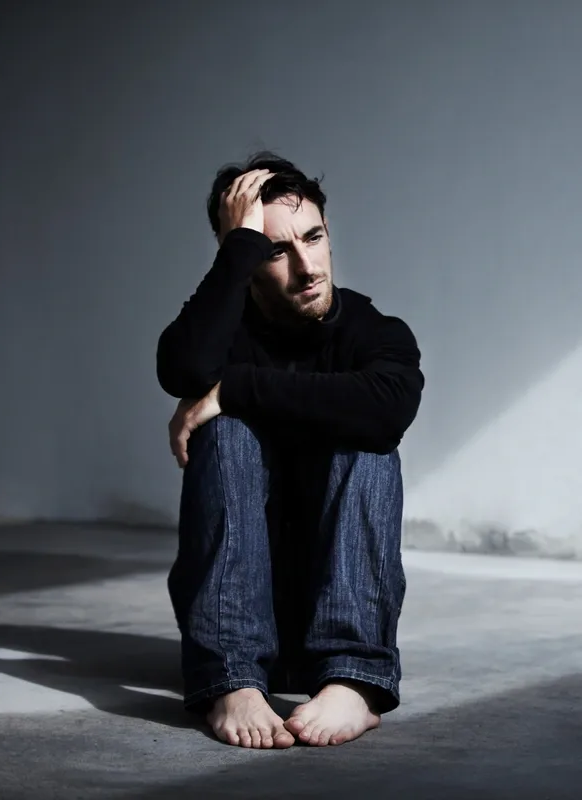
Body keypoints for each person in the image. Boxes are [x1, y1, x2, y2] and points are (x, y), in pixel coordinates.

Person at [155, 152, 424, 749]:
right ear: (244, 258)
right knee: (223, 432)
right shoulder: (224, 331)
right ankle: (231, 678)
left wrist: (236, 387)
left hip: (330, 611)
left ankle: (354, 678)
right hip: (238, 618)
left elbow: (387, 408)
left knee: (368, 438)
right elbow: (183, 368)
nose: (307, 267)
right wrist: (237, 247)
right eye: (275, 250)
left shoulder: (374, 332)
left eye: (314, 237)